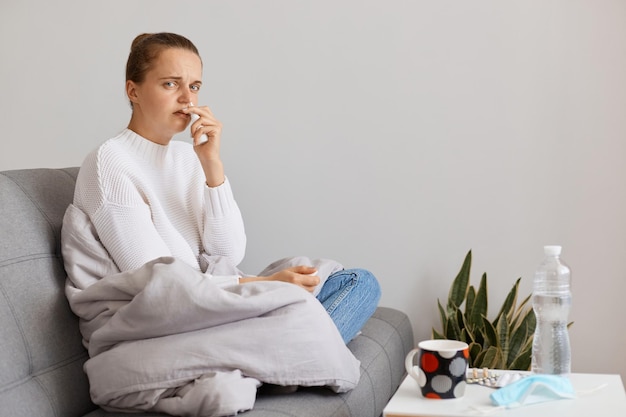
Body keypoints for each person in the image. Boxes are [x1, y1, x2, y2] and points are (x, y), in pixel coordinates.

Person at [63, 32, 380, 344]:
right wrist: (264, 283)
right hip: (177, 320)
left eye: (195, 86)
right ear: (133, 90)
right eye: (170, 83)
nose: (188, 99)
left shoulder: (187, 156)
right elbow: (162, 283)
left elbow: (229, 253)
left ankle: (293, 348)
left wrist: (212, 167)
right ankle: (296, 349)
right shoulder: (110, 162)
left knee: (359, 284)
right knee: (316, 303)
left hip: (215, 299)